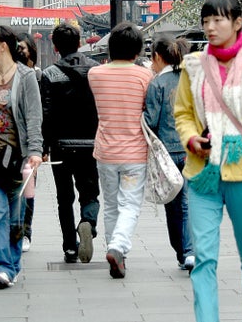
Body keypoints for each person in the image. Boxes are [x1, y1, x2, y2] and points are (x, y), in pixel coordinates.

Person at [174, 0, 242, 322]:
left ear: (237, 23)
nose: (210, 27)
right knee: (204, 259)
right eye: (206, 21)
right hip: (202, 173)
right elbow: (182, 113)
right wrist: (191, 138)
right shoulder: (193, 65)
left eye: (218, 20)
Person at [0, 25, 43, 289]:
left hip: (18, 156)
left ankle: (13, 264)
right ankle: (1, 267)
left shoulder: (26, 77)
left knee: (16, 214)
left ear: (3, 46)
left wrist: (35, 150)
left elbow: (34, 117)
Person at [88, 22, 154, 279]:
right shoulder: (145, 76)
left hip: (105, 152)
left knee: (112, 205)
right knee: (130, 205)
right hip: (135, 153)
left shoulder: (95, 74)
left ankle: (117, 255)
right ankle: (118, 247)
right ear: (137, 51)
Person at [41, 22, 100, 264]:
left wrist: (43, 146)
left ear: (55, 46)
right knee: (89, 191)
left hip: (61, 145)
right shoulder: (95, 70)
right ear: (80, 42)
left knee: (64, 198)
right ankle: (88, 222)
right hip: (90, 143)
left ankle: (70, 247)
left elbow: (46, 112)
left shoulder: (49, 74)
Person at [143, 36, 195, 272]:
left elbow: (151, 120)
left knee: (173, 204)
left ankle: (184, 251)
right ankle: (188, 251)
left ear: (157, 57)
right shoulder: (188, 79)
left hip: (166, 152)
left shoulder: (156, 84)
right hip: (189, 148)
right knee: (187, 202)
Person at [16, 32, 42, 252]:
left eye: (23, 47)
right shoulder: (5, 75)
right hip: (6, 144)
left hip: (29, 144)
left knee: (27, 190)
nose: (20, 51)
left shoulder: (38, 76)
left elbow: (39, 114)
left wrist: (40, 147)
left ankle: (26, 232)